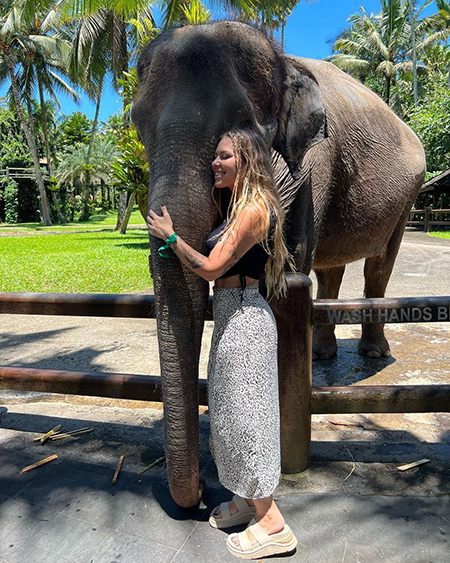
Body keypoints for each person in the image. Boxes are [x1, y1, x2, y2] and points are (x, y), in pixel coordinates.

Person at [147, 127, 297, 560]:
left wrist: (172, 238)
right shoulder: (234, 207)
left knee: (250, 422)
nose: (216, 162)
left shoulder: (254, 209)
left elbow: (212, 269)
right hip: (232, 319)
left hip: (246, 319)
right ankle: (246, 501)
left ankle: (272, 524)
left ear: (246, 160)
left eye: (225, 156)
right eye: (215, 156)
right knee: (231, 418)